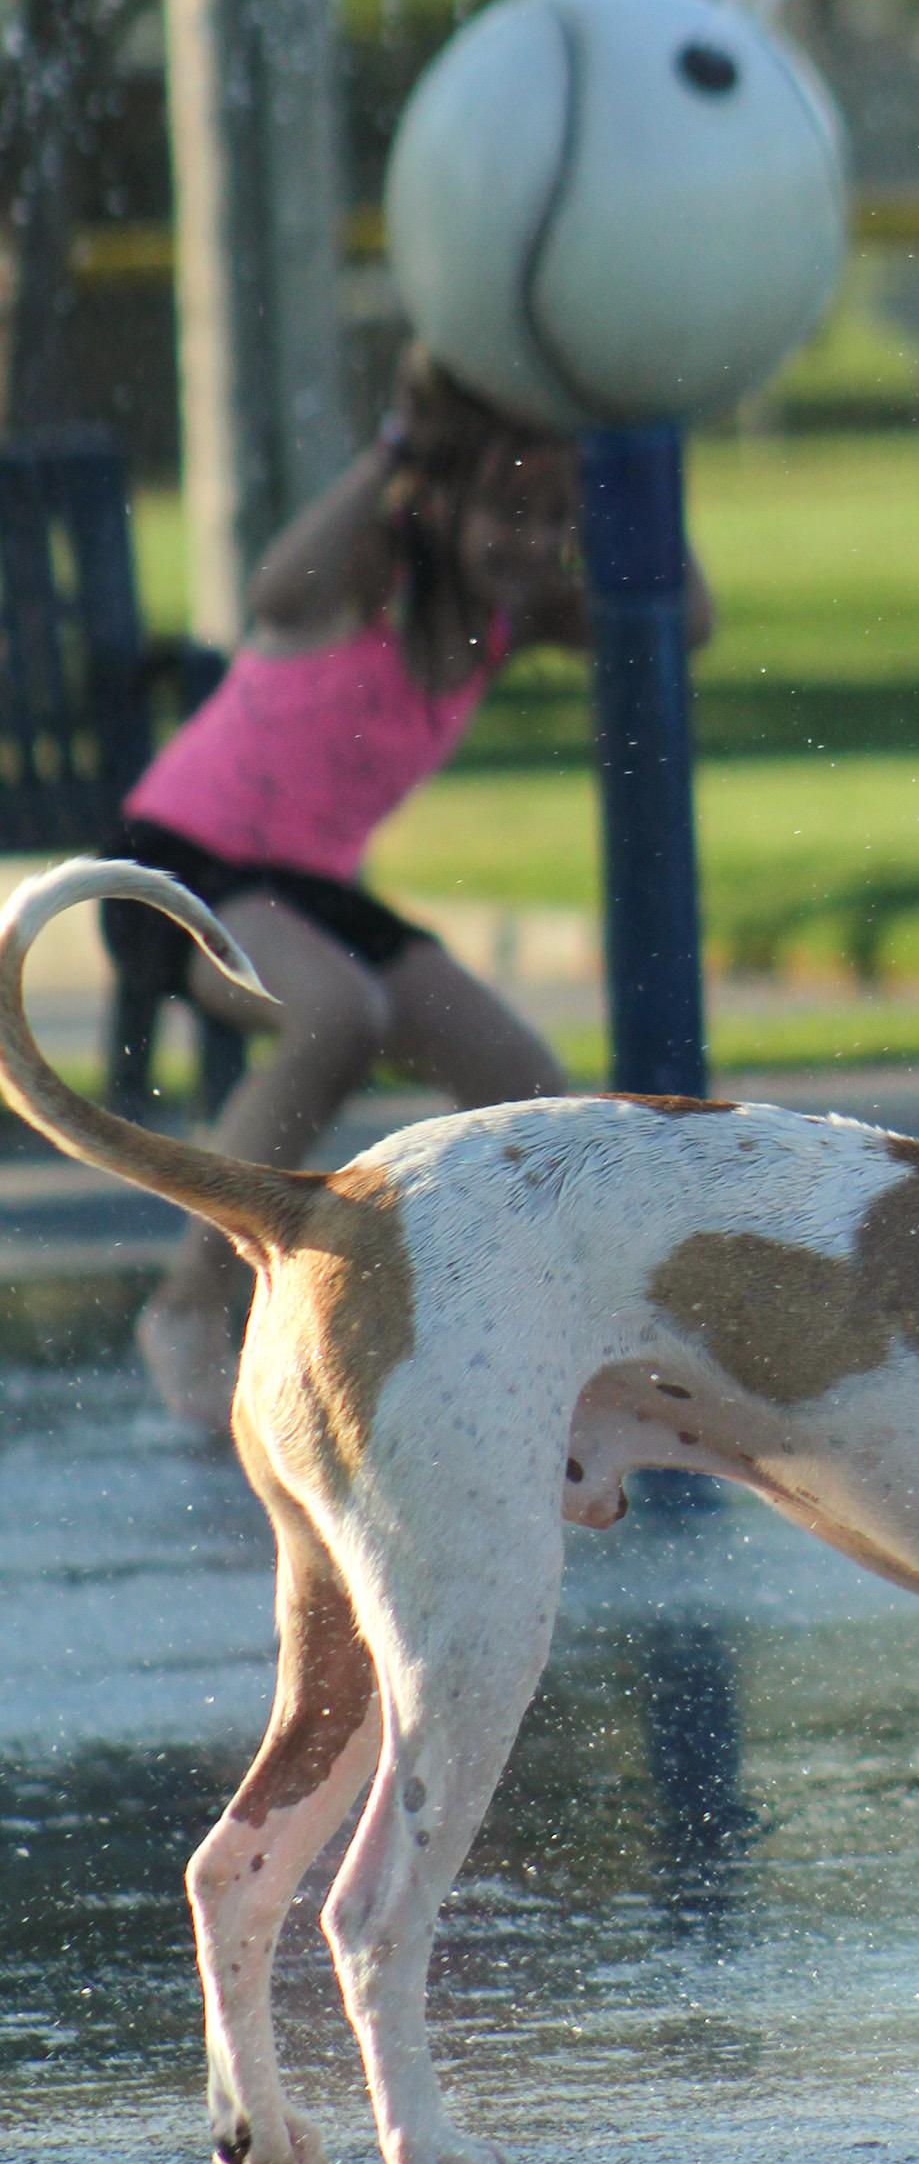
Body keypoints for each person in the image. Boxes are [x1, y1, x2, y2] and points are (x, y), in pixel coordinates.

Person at [110, 346, 712, 1433]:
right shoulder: (370, 575)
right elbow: (268, 592)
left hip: (305, 889)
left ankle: (526, 1327)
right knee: (336, 1014)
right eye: (505, 513)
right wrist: (395, 447)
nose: (527, 543)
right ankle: (191, 1305)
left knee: (526, 1085)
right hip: (179, 860)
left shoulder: (515, 613)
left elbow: (688, 619)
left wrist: (634, 463)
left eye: (551, 519)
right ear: (435, 497)